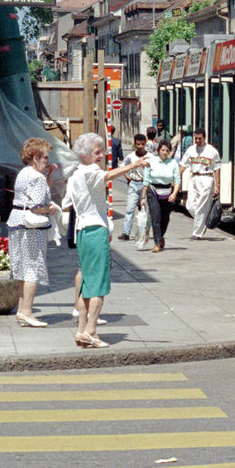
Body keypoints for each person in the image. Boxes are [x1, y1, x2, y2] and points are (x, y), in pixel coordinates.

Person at [63, 132, 150, 348]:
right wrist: (133, 165)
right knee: (99, 285)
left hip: (82, 231)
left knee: (86, 282)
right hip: (95, 230)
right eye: (97, 152)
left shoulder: (75, 175)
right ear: (85, 155)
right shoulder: (91, 171)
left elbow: (66, 203)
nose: (101, 155)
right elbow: (108, 175)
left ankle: (82, 330)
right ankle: (91, 330)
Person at [7, 137, 59, 328]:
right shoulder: (36, 177)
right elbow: (37, 206)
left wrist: (49, 175)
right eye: (45, 157)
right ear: (35, 157)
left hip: (17, 222)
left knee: (23, 268)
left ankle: (22, 310)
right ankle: (27, 311)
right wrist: (51, 210)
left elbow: (39, 193)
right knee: (33, 268)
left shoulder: (25, 173)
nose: (47, 160)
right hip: (30, 227)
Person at [180, 127, 221, 239]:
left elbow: (217, 169)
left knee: (201, 206)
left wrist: (217, 185)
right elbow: (183, 165)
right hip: (194, 177)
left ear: (204, 137)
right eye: (196, 138)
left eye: (199, 138)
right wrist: (176, 178)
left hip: (206, 178)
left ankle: (197, 233)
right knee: (190, 205)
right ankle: (204, 220)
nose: (197, 141)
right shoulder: (191, 150)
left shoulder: (212, 151)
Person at [141, 139, 180, 253]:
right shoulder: (151, 161)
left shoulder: (173, 163)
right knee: (156, 217)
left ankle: (161, 235)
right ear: (158, 150)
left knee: (165, 218)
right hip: (153, 190)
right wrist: (143, 197)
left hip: (167, 191)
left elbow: (177, 180)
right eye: (163, 150)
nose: (164, 152)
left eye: (167, 151)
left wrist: (174, 194)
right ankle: (157, 243)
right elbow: (146, 181)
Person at [116, 133, 149, 240]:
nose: (140, 146)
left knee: (144, 210)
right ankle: (126, 232)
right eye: (138, 144)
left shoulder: (150, 157)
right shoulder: (131, 156)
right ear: (135, 144)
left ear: (145, 143)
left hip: (145, 185)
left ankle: (142, 232)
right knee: (130, 209)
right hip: (133, 184)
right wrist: (127, 176)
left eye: (142, 144)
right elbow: (122, 166)